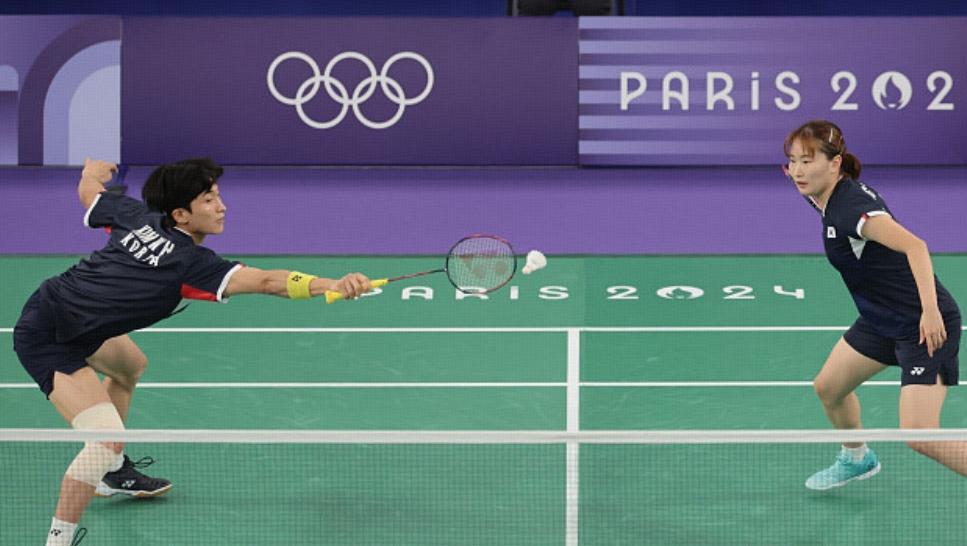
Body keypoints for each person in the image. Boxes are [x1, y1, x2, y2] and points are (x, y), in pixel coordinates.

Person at [13, 158, 373, 545]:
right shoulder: (189, 264)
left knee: (130, 367)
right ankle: (58, 539)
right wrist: (330, 284)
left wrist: (92, 173)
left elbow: (90, 194)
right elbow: (268, 282)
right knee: (104, 440)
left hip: (72, 317)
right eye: (208, 200)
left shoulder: (135, 215)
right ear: (181, 214)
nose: (222, 207)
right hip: (48, 336)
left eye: (217, 196)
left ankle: (112, 473)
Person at [783, 120, 964, 490]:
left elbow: (916, 246)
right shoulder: (822, 194)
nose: (798, 171)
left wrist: (930, 312)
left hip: (923, 325)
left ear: (835, 163)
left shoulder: (852, 209)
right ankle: (857, 458)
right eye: (793, 161)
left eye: (807, 161)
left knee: (921, 436)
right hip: (881, 319)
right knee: (829, 388)